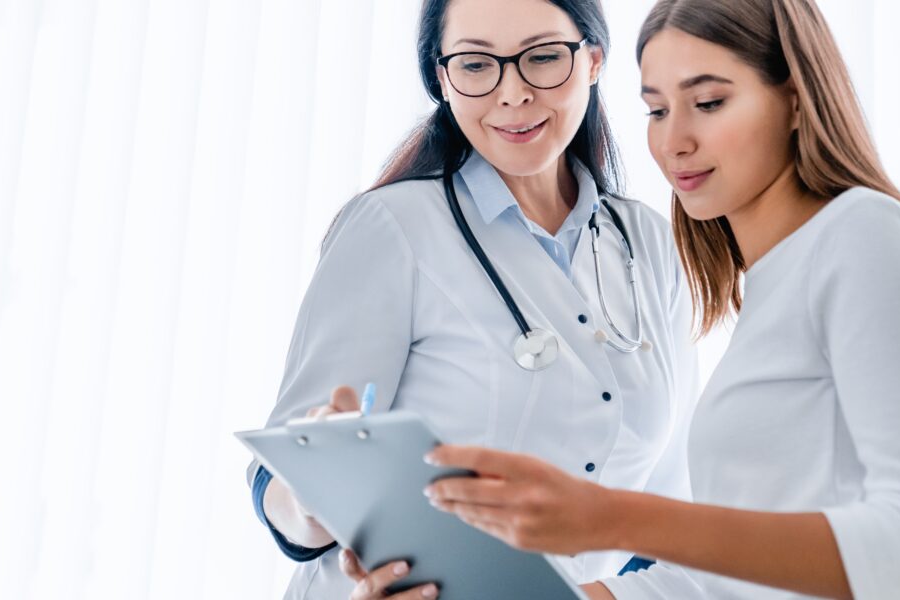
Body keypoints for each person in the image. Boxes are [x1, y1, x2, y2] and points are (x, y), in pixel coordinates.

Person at [425, 0, 900, 598]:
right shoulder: (775, 283)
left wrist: (609, 516)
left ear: (796, 99)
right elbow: (729, 580)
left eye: (708, 103)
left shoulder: (863, 235)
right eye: (657, 110)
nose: (673, 142)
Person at [245, 0, 700, 597]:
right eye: (477, 65)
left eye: (542, 57)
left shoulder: (649, 244)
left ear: (593, 61)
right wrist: (315, 491)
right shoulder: (393, 228)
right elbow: (277, 481)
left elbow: (671, 514)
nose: (512, 94)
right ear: (442, 79)